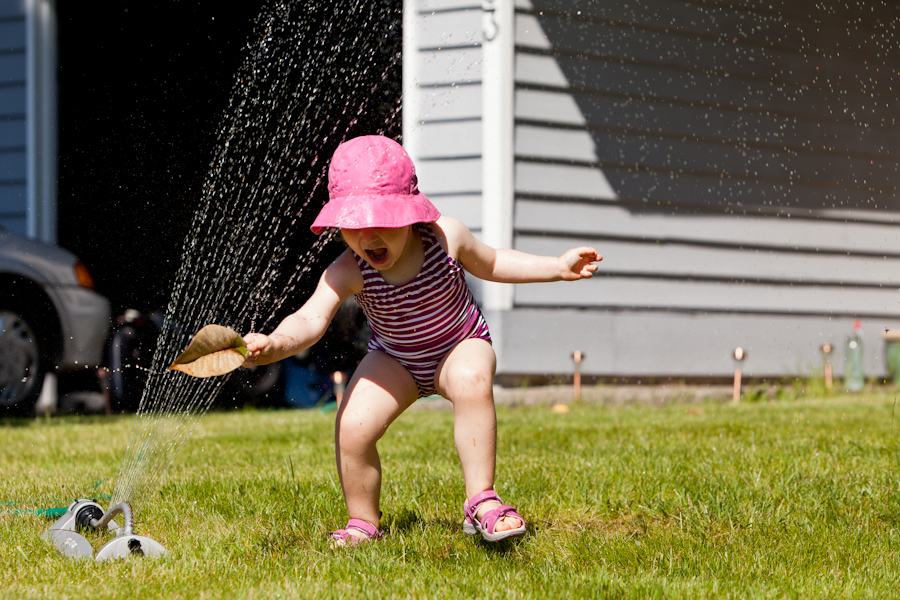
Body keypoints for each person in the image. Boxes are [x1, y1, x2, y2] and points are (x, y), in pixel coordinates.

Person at [242, 135, 601, 546]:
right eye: (355, 226)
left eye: (382, 223)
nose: (369, 237)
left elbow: (496, 261)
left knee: (471, 382)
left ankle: (482, 501)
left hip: (458, 344)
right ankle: (363, 521)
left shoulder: (446, 237)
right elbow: (310, 317)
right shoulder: (347, 269)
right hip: (396, 358)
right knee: (353, 426)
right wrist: (274, 343)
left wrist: (556, 267)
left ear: (409, 213)